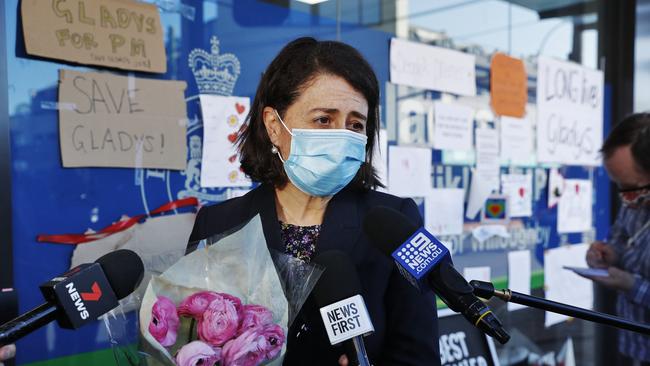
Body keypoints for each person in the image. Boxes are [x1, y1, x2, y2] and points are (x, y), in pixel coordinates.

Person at [188, 37, 440, 365]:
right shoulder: (219, 224)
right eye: (324, 119)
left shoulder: (395, 223)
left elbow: (418, 354)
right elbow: (190, 342)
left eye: (355, 124)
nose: (342, 136)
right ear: (274, 126)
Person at [586, 113, 650, 365]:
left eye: (632, 188)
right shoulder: (634, 198)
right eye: (619, 187)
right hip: (632, 345)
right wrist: (609, 254)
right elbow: (622, 240)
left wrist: (630, 284)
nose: (626, 199)